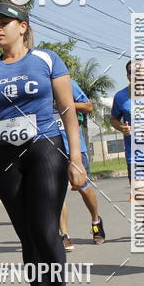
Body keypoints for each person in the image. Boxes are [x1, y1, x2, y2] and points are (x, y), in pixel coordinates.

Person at [0, 3, 86, 286]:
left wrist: (75, 158)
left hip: (45, 149)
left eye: (4, 22)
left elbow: (67, 111)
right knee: (26, 234)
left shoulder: (47, 60)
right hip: (5, 156)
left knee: (45, 227)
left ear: (23, 27)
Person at [55, 78, 106, 250]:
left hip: (75, 147)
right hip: (51, 148)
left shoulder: (66, 82)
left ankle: (96, 221)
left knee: (82, 187)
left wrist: (64, 104)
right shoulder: (33, 87)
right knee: (57, 193)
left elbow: (88, 106)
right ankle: (64, 235)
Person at [110, 60, 133, 189]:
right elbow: (113, 119)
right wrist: (122, 127)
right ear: (127, 75)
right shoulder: (120, 96)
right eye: (131, 72)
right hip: (134, 155)